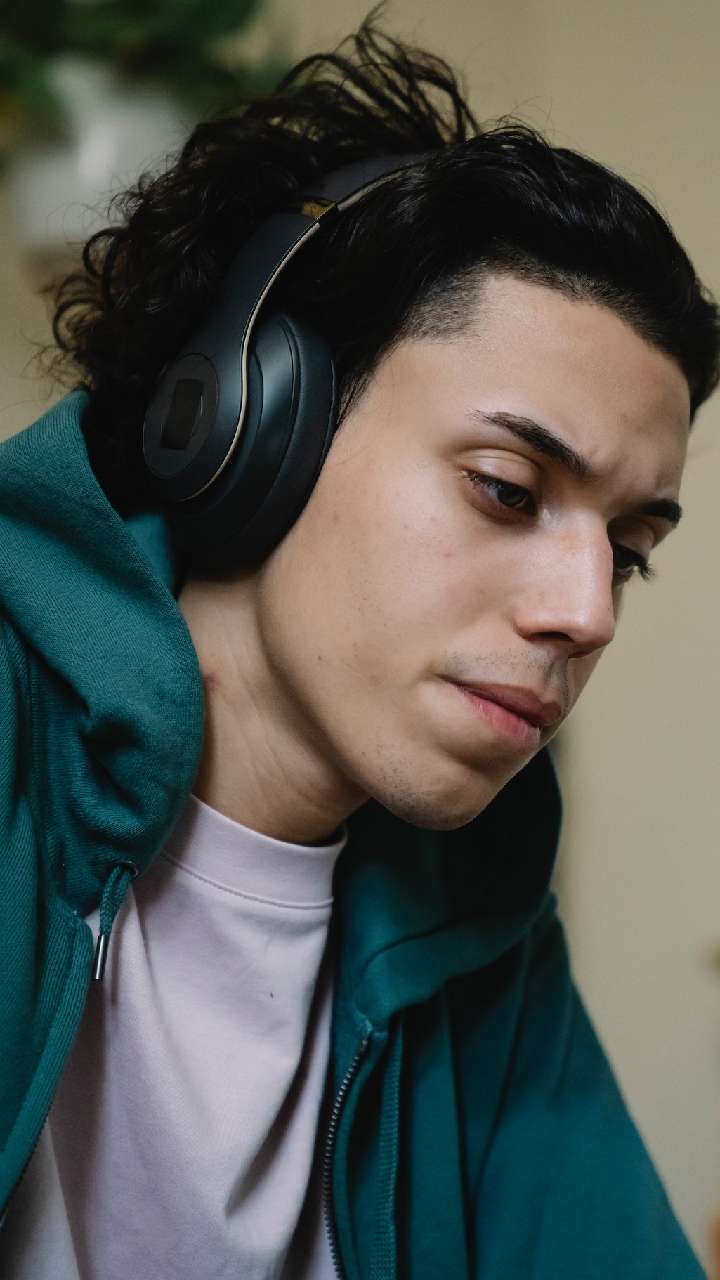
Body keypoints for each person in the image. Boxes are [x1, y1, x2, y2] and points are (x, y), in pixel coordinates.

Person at [0, 17, 717, 1280]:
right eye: (507, 488)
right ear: (251, 421)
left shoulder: (475, 906)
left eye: (629, 548)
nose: (589, 612)